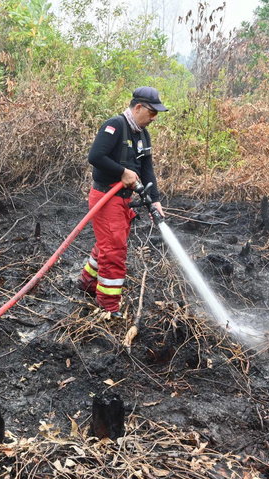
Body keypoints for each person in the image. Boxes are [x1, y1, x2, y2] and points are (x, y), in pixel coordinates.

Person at [78, 86, 167, 317]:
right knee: (114, 250)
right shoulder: (115, 126)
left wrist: (154, 200)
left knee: (108, 243)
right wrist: (122, 172)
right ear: (138, 107)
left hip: (123, 200)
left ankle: (87, 282)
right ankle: (107, 305)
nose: (154, 118)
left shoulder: (142, 133)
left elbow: (147, 168)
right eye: (152, 112)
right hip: (106, 197)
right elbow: (95, 157)